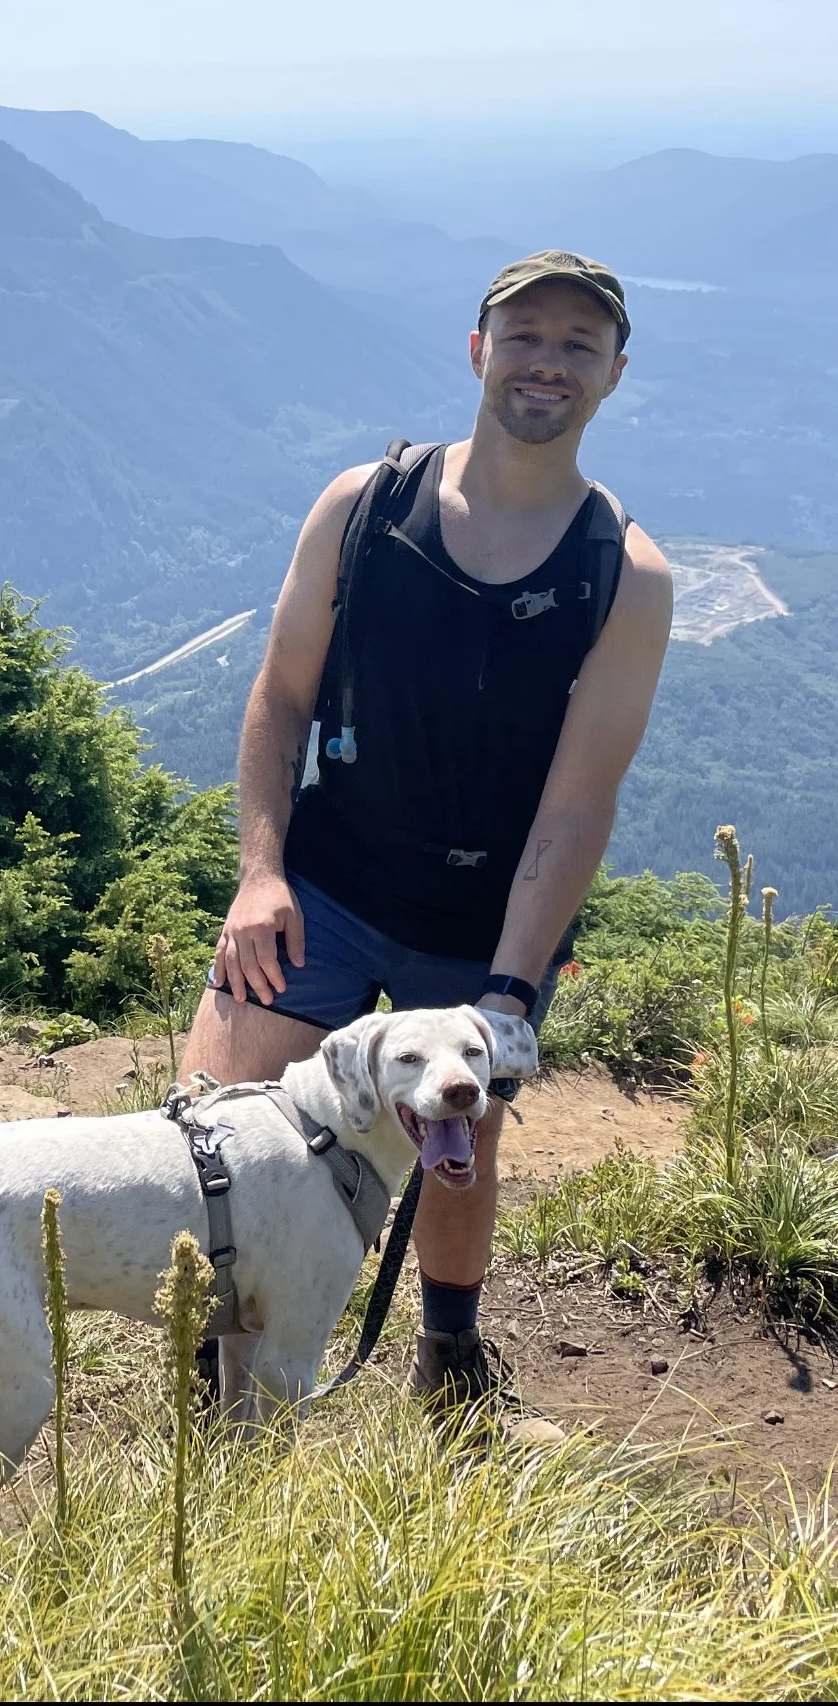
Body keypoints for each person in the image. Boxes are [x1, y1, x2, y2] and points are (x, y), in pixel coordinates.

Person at [179, 249, 673, 1418]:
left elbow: (578, 795)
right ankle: (210, 1352)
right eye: (525, 336)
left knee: (458, 1133)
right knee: (214, 1114)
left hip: (481, 910)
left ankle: (449, 1359)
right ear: (478, 351)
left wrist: (509, 983)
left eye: (577, 344)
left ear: (613, 373)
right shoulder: (364, 507)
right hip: (329, 879)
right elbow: (280, 696)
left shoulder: (626, 574)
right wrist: (259, 877)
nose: (546, 361)